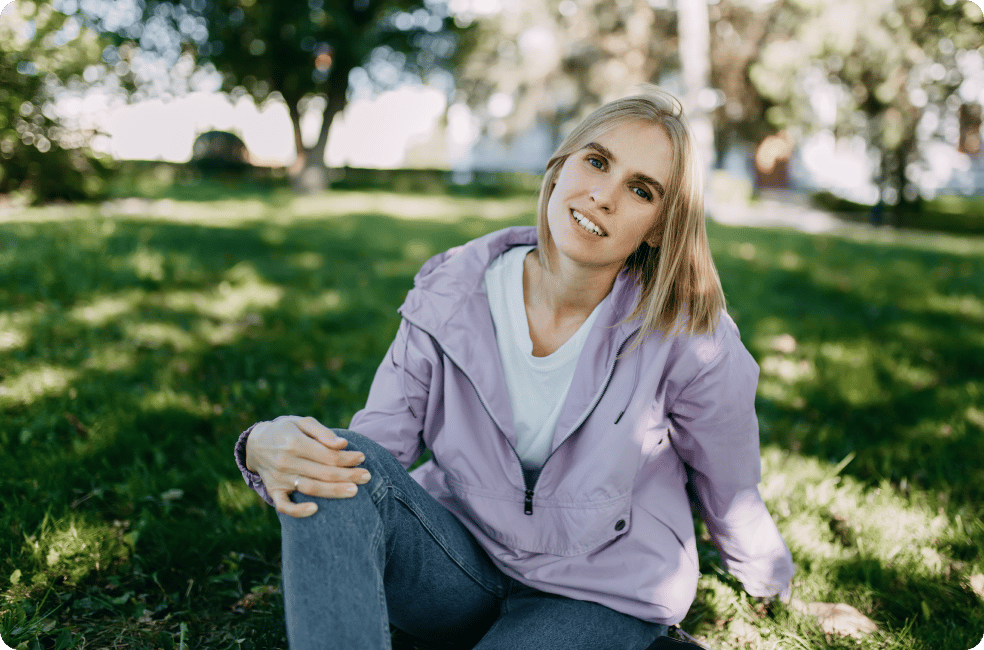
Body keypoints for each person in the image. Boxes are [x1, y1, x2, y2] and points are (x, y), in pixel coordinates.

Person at [234, 86, 794, 650]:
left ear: (657, 227)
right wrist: (263, 445)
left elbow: (731, 487)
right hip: (460, 566)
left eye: (641, 190)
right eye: (596, 161)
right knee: (335, 472)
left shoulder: (689, 337)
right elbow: (372, 452)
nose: (603, 196)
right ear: (558, 169)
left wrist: (773, 587)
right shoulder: (452, 288)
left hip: (598, 595)